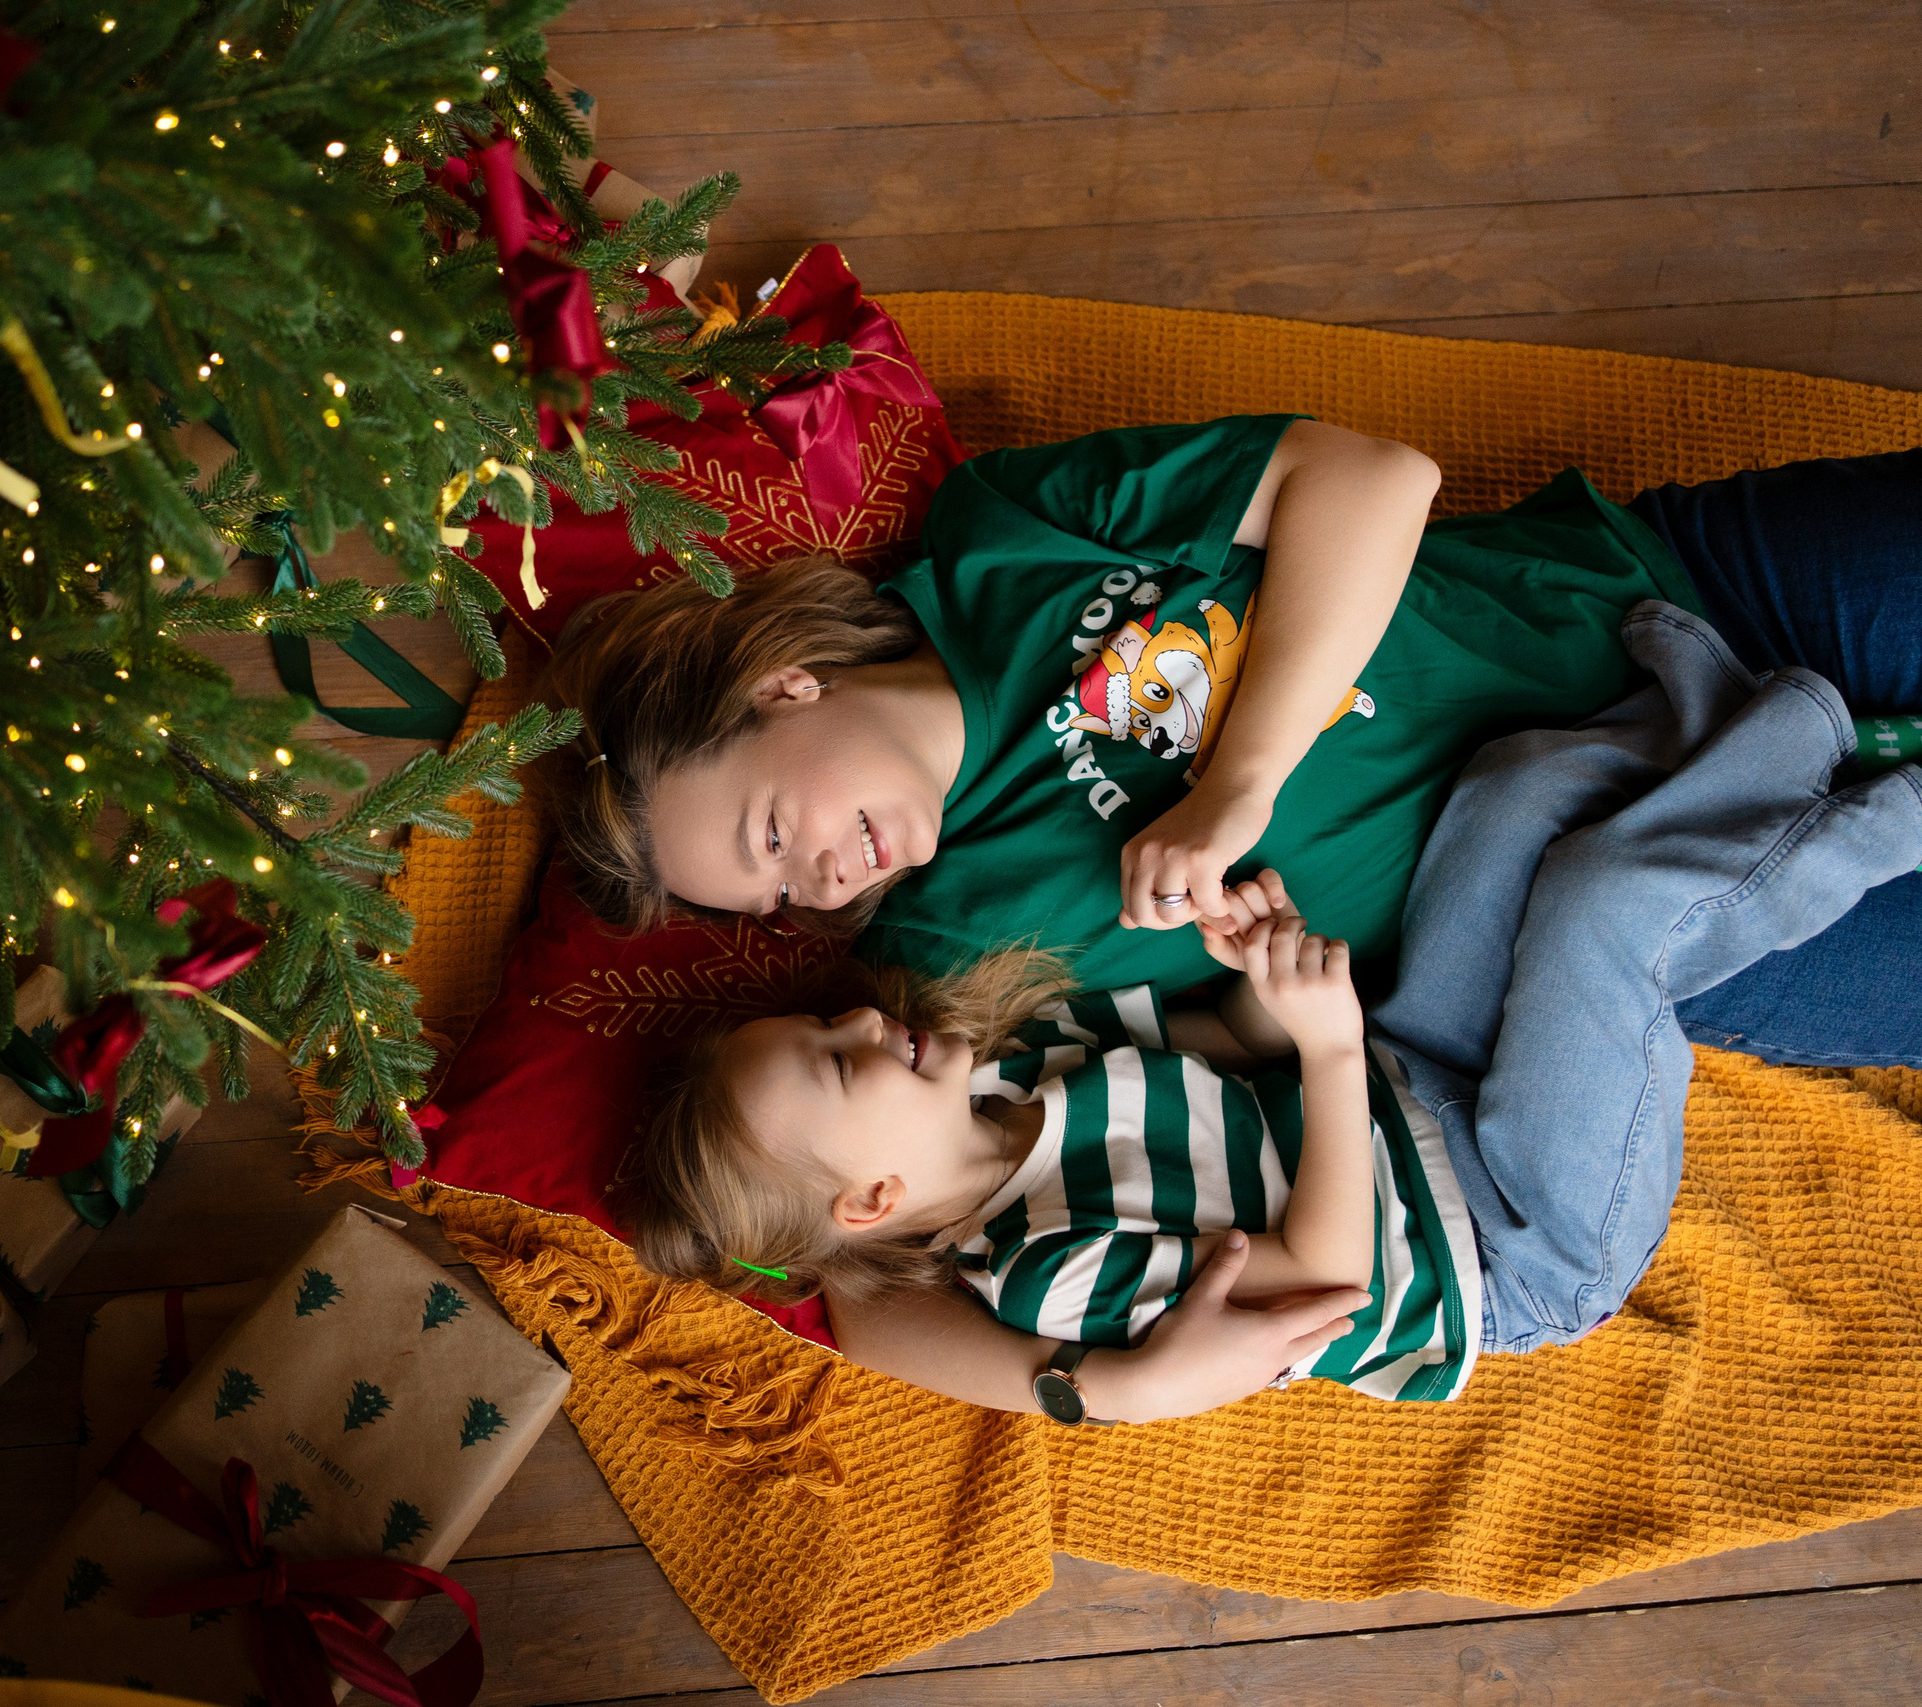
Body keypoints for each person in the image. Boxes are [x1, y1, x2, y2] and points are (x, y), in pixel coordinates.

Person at [624, 610, 1922, 1421]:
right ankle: (1839, 794)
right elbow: (1325, 1276)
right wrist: (1331, 1041)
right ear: (871, 1203)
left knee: (1509, 799)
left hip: (1414, 1085)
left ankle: (1696, 737)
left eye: (826, 1028)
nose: (861, 1024)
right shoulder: (1045, 1263)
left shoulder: (1026, 1072)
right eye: (845, 1068)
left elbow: (1224, 1048)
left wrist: (1260, 967)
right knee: (1597, 915)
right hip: (1518, 1236)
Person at [544, 422, 1922, 1071]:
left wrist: (1235, 787)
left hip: (1670, 597)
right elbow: (1210, 1060)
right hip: (1650, 905)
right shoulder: (942, 955)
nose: (823, 886)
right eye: (781, 897)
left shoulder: (1005, 539)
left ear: (783, 689)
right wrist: (1273, 986)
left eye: (773, 837)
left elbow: (1376, 482)